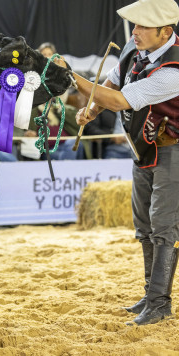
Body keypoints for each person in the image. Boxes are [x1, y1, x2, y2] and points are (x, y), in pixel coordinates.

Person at [71, 0, 179, 325]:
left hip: (172, 152)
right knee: (144, 224)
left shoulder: (174, 70)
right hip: (142, 150)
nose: (136, 31)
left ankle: (160, 303)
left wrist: (73, 78)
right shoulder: (133, 48)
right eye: (135, 24)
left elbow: (119, 101)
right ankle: (150, 294)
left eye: (144, 26)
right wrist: (92, 109)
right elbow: (111, 86)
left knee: (163, 225)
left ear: (166, 31)